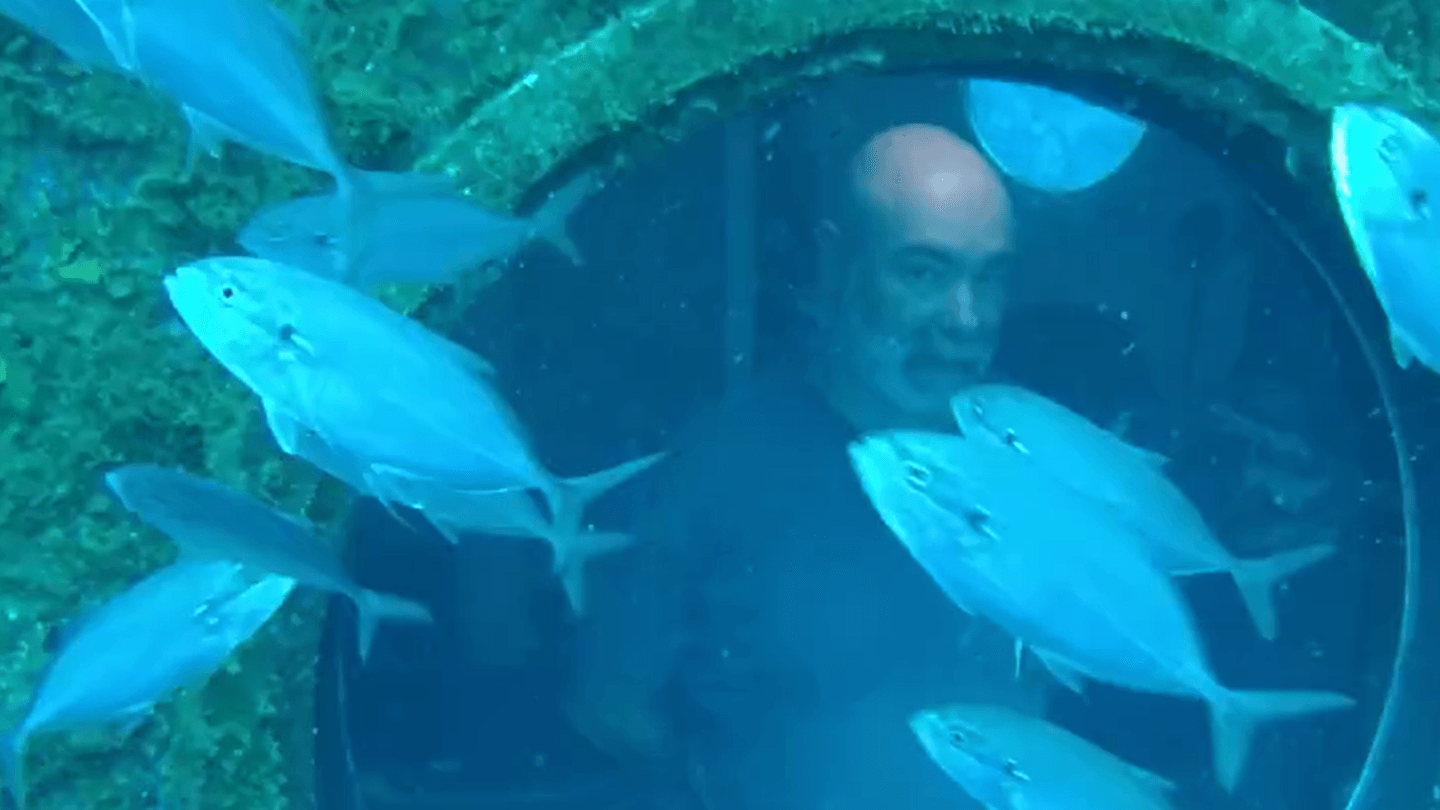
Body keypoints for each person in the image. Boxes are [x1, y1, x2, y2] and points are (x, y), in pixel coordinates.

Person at [565, 122, 1045, 810]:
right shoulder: (723, 466)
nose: (965, 319)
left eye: (990, 277)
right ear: (834, 263)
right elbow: (611, 705)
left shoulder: (1041, 458)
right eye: (923, 272)